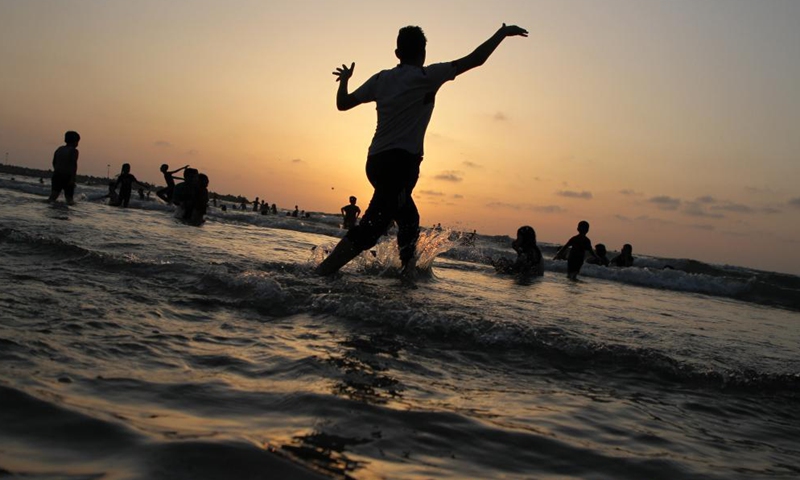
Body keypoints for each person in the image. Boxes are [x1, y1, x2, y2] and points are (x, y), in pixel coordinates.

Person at [316, 23, 528, 276]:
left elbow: (343, 103)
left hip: (376, 161)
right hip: (401, 164)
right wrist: (502, 34)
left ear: (397, 53)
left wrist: (344, 81)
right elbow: (476, 59)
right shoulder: (428, 76)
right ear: (424, 52)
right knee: (373, 227)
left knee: (408, 219)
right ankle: (324, 271)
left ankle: (407, 275)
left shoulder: (381, 79)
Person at [47, 131, 80, 204]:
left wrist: (57, 170)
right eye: (77, 142)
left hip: (57, 175)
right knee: (69, 199)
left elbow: (54, 162)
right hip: (67, 176)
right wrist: (73, 179)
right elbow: (73, 165)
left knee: (53, 196)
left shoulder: (59, 149)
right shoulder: (74, 151)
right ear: (75, 141)